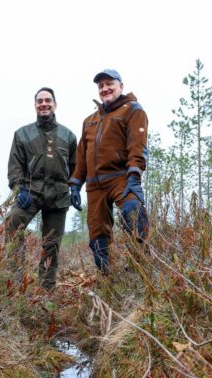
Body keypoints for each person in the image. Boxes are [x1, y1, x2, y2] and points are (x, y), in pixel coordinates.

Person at [69, 69, 149, 273]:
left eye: (109, 84)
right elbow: (82, 155)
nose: (105, 88)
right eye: (101, 86)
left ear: (121, 86)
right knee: (97, 235)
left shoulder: (132, 110)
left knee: (134, 213)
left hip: (121, 177)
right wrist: (75, 185)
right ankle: (107, 278)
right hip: (95, 184)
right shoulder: (90, 120)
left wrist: (134, 176)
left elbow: (137, 145)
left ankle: (140, 271)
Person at [5, 87, 78, 290]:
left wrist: (75, 188)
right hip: (31, 192)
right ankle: (15, 283)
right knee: (12, 224)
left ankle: (46, 289)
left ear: (55, 104)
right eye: (40, 101)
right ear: (35, 105)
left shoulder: (69, 136)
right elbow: (14, 166)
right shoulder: (22, 134)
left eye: (48, 100)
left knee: (51, 244)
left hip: (58, 196)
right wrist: (19, 189)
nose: (44, 104)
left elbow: (76, 167)